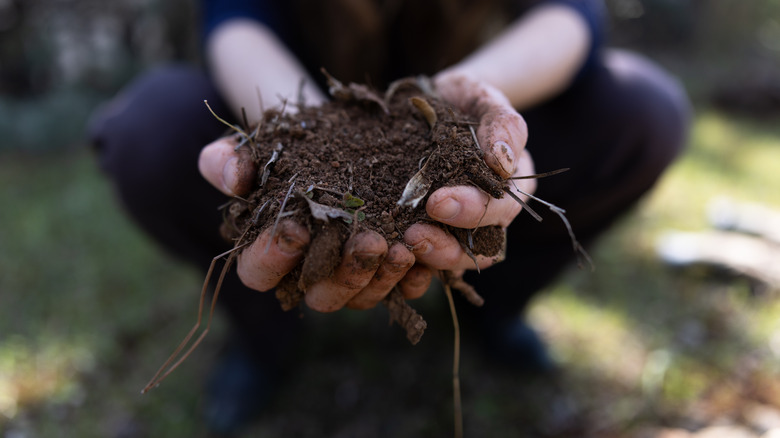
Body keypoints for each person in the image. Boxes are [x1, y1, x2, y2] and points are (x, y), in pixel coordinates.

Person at [90, 0, 691, 434]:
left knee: (645, 109)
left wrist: (470, 99)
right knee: (149, 128)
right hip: (284, 95)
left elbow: (572, 15)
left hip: (481, 116)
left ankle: (496, 304)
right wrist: (302, 128)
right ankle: (264, 334)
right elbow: (234, 20)